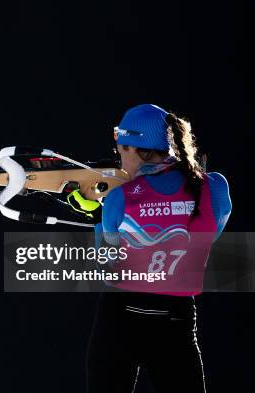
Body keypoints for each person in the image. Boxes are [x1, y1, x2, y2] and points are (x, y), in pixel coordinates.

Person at [85, 104, 232, 392]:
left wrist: (95, 215)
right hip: (175, 321)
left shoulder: (120, 198)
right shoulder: (213, 188)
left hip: (120, 318)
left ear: (138, 149)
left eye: (121, 150)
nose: (119, 157)